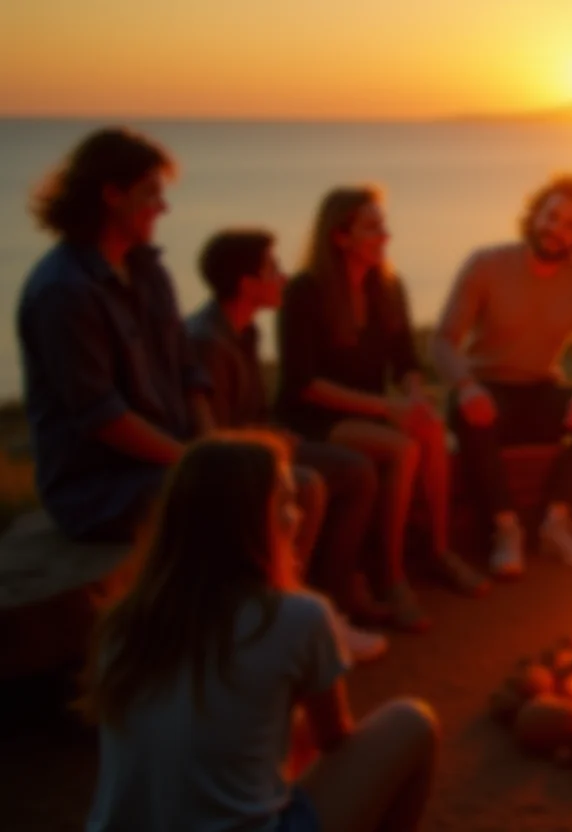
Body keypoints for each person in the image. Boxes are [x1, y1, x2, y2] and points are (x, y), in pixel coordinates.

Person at [83, 432, 438, 832]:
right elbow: (335, 739)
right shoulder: (297, 616)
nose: (299, 517)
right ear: (251, 522)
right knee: (413, 722)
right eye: (286, 503)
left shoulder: (122, 620)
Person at [276, 186, 488, 633]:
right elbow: (304, 384)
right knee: (401, 449)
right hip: (316, 418)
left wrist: (413, 396)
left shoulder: (387, 287)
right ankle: (389, 576)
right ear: (340, 236)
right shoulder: (305, 291)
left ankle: (438, 551)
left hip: (371, 410)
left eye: (383, 224)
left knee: (430, 431)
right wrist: (387, 407)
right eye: (372, 227)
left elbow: (406, 360)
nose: (385, 235)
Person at [188, 229, 387, 662]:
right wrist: (268, 442)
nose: (283, 276)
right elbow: (213, 442)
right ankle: (286, 614)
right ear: (246, 284)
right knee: (308, 485)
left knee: (356, 471)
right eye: (272, 268)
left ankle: (332, 606)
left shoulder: (245, 332)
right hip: (234, 467)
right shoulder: (208, 342)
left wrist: (276, 433)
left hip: (259, 448)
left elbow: (253, 412)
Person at [17, 127, 211, 542]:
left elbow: (187, 369)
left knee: (283, 482)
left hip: (168, 462)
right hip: (102, 490)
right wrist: (195, 462)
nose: (163, 207)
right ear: (112, 195)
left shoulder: (147, 270)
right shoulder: (65, 290)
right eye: (151, 194)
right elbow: (103, 417)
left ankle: (286, 605)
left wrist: (212, 448)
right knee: (240, 499)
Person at [431, 175, 572, 577]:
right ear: (535, 215)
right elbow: (445, 341)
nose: (558, 230)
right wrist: (466, 387)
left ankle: (557, 520)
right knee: (465, 411)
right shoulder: (486, 263)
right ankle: (504, 529)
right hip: (487, 392)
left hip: (539, 393)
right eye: (552, 217)